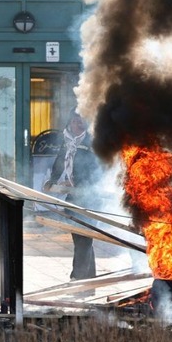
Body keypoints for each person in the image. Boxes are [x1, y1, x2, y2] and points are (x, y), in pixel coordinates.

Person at [43, 110, 101, 280]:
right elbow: (60, 161)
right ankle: (89, 277)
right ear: (70, 123)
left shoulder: (92, 141)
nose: (79, 123)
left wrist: (79, 183)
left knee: (85, 236)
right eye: (76, 120)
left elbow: (96, 168)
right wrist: (53, 180)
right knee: (80, 237)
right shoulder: (67, 140)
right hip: (75, 196)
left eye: (82, 120)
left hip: (90, 196)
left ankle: (78, 276)